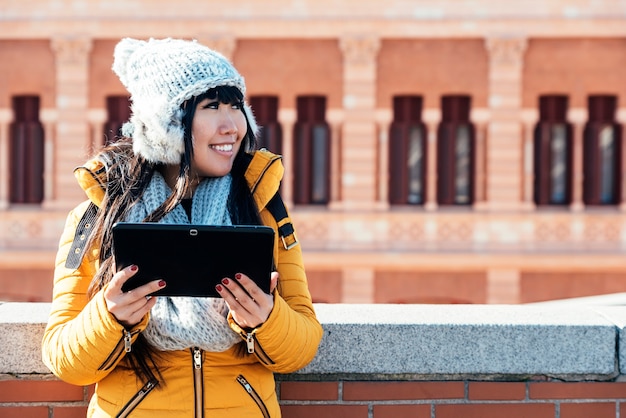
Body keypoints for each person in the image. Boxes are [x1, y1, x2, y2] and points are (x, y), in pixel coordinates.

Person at [41, 37, 323, 417]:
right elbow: (65, 360)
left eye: (236, 106)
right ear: (166, 124)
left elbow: (302, 347)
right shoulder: (99, 214)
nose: (232, 126)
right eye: (211, 107)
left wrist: (266, 320)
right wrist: (111, 318)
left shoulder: (262, 208)